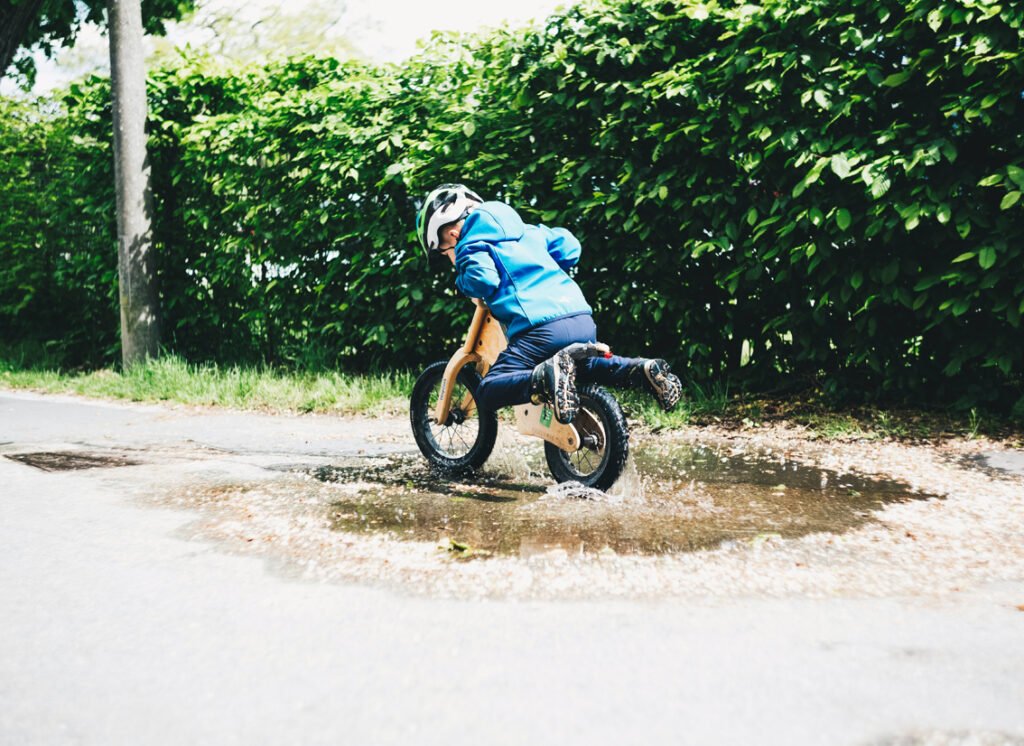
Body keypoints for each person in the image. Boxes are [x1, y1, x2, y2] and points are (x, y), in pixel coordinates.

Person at [415, 183, 682, 425]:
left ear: (453, 233)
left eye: (443, 251)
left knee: (488, 389)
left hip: (538, 328)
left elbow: (483, 280)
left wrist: (462, 281)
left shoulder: (471, 244)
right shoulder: (528, 232)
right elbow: (570, 248)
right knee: (586, 368)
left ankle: (543, 377)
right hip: (580, 318)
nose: (448, 256)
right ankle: (641, 370)